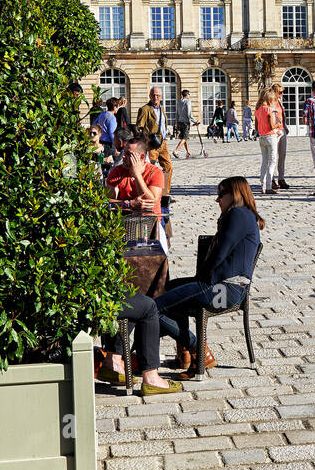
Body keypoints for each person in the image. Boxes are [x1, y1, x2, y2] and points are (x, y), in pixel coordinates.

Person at [157, 176, 263, 380]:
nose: (218, 200)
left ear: (235, 194)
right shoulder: (241, 215)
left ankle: (198, 349)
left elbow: (219, 255)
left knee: (154, 308)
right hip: (224, 287)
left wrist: (198, 282)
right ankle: (190, 354)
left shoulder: (238, 214)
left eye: (221, 194)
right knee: (169, 288)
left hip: (224, 291)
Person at [96, 292, 183, 397]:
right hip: (90, 303)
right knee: (148, 306)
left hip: (84, 298)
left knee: (133, 298)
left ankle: (113, 362)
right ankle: (152, 378)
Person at [106, 128, 164, 217]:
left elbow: (150, 201)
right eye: (124, 152)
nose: (123, 156)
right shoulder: (116, 172)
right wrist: (129, 204)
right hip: (124, 220)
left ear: (141, 157)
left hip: (150, 221)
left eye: (129, 154)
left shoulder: (155, 172)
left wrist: (137, 175)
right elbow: (108, 200)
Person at [135, 87, 174, 195]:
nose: (155, 97)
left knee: (168, 166)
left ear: (161, 97)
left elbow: (162, 124)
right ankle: (148, 192)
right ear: (150, 96)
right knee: (149, 168)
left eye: (158, 95)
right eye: (153, 95)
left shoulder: (161, 108)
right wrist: (145, 141)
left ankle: (165, 194)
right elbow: (139, 127)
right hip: (151, 144)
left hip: (162, 143)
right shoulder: (145, 109)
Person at [254, 89, 282, 193]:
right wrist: (278, 125)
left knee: (264, 162)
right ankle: (269, 186)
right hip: (271, 137)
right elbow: (272, 125)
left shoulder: (258, 110)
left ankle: (263, 185)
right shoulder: (270, 110)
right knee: (272, 161)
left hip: (261, 137)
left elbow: (256, 126)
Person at [271, 84, 291, 190]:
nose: (282, 94)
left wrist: (285, 126)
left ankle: (281, 178)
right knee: (273, 156)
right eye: (280, 92)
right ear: (275, 92)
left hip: (282, 130)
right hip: (275, 131)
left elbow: (282, 116)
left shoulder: (279, 102)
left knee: (282, 155)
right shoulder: (271, 103)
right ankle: (272, 179)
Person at [93, 97, 119, 170]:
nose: (118, 108)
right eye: (117, 106)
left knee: (101, 162)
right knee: (109, 164)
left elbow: (94, 124)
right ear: (114, 107)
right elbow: (111, 133)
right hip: (108, 144)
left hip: (100, 142)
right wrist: (116, 144)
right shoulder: (112, 118)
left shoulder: (102, 114)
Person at [174, 88, 194, 159]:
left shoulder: (179, 102)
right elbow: (189, 113)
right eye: (189, 94)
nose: (189, 95)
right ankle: (176, 150)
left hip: (180, 122)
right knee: (185, 138)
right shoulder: (188, 102)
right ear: (186, 95)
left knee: (184, 138)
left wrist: (176, 122)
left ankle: (188, 152)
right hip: (185, 122)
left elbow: (177, 113)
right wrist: (194, 121)